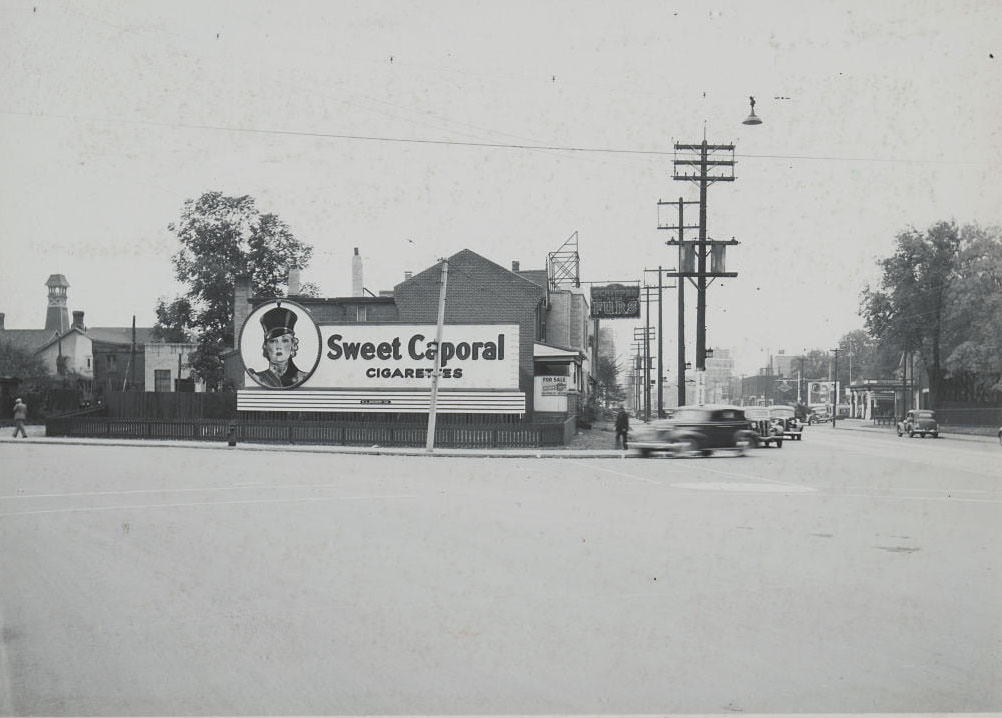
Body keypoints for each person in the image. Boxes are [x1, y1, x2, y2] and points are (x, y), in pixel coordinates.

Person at [246, 306, 309, 389]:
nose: (278, 347)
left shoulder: (304, 378)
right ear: (265, 346)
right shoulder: (257, 378)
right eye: (272, 341)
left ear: (293, 344)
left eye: (285, 341)